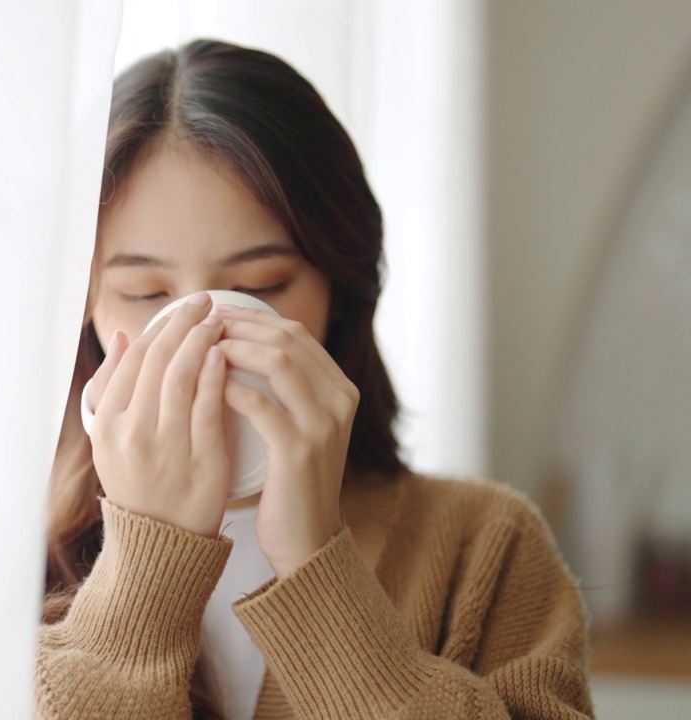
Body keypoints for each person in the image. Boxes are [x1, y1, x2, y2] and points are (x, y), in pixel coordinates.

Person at [36, 39, 594, 720]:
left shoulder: (484, 547)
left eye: (262, 285)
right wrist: (144, 577)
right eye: (146, 292)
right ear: (83, 308)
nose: (203, 338)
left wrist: (318, 568)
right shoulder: (8, 557)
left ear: (341, 289)